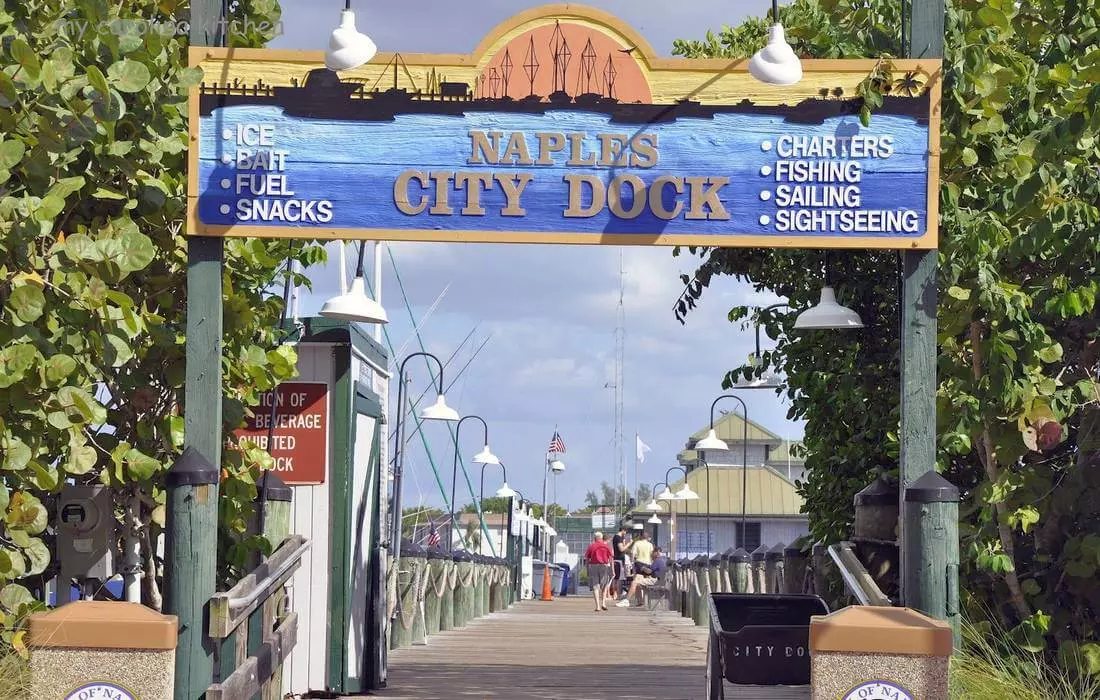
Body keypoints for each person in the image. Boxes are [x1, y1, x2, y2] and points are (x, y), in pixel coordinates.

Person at [583, 531, 614, 612]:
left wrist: (587, 569)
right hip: (604, 566)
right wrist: (611, 570)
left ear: (595, 538)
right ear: (601, 537)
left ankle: (597, 606)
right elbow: (610, 558)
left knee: (595, 586)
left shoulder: (591, 546)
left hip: (593, 566)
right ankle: (603, 603)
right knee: (604, 585)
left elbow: (586, 559)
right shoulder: (606, 546)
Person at [609, 526, 630, 599]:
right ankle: (617, 594)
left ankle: (615, 594)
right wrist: (629, 543)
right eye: (626, 532)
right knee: (619, 578)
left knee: (616, 578)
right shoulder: (618, 538)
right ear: (623, 530)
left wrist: (624, 542)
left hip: (617, 559)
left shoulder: (616, 537)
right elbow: (621, 549)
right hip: (619, 560)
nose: (626, 534)